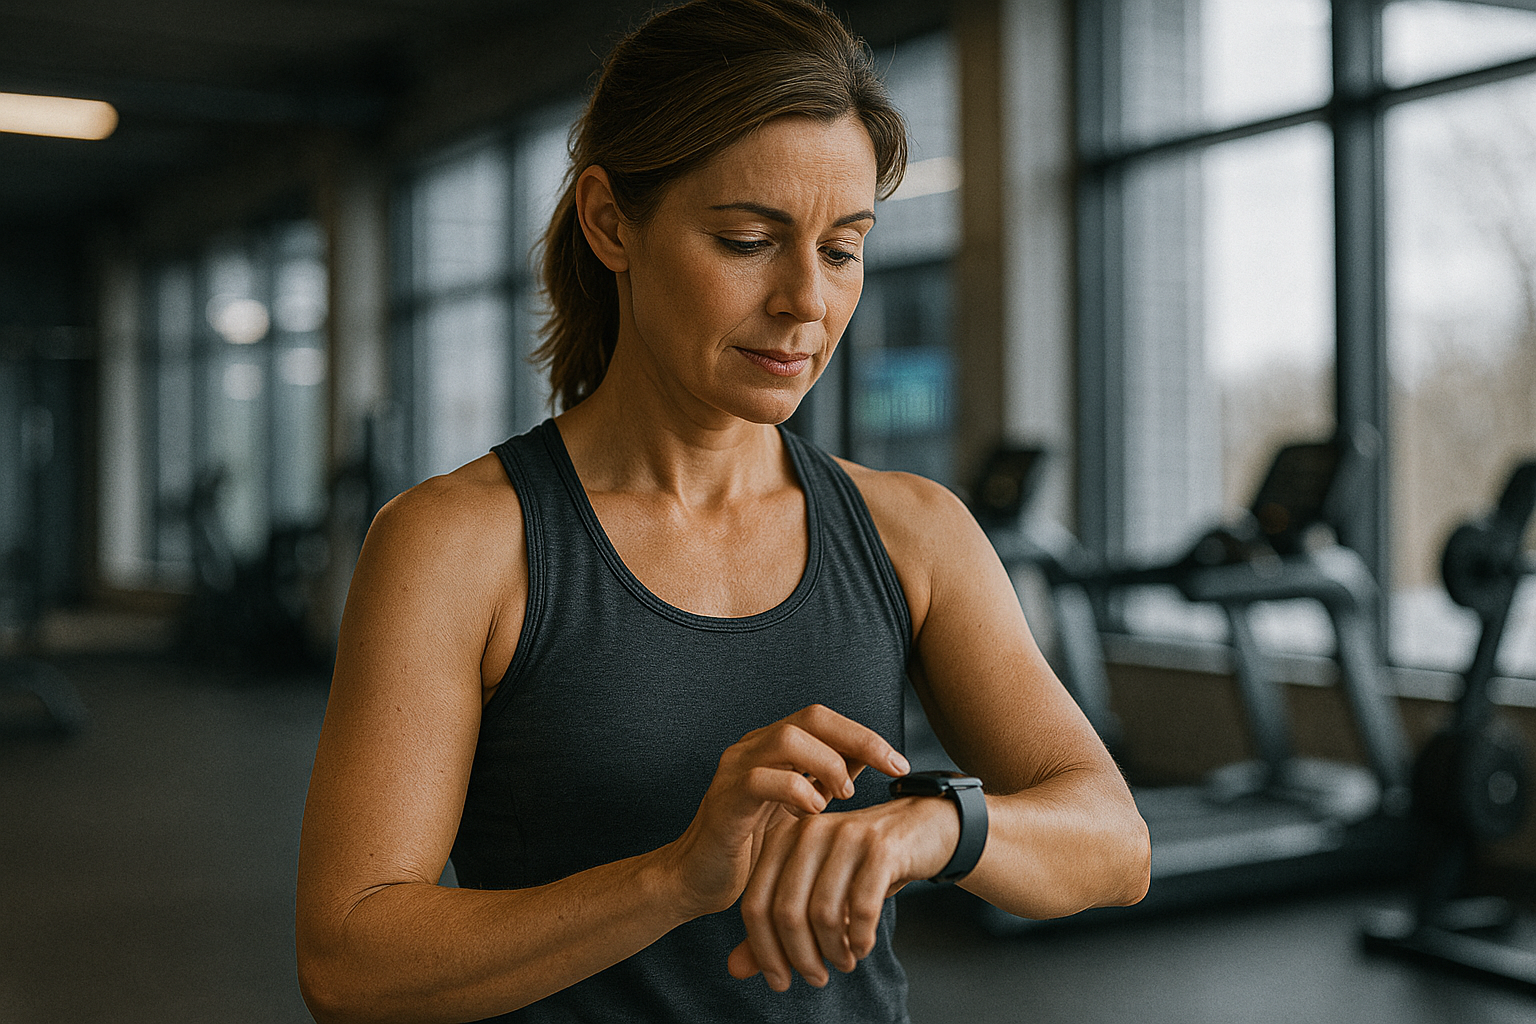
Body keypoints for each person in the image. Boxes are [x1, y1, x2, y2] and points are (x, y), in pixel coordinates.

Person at [295, 1, 1150, 1021]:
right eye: (749, 240)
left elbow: (1114, 843)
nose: (806, 300)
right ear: (611, 221)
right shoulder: (459, 544)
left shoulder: (911, 530)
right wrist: (674, 880)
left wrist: (933, 826)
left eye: (842, 250)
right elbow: (349, 960)